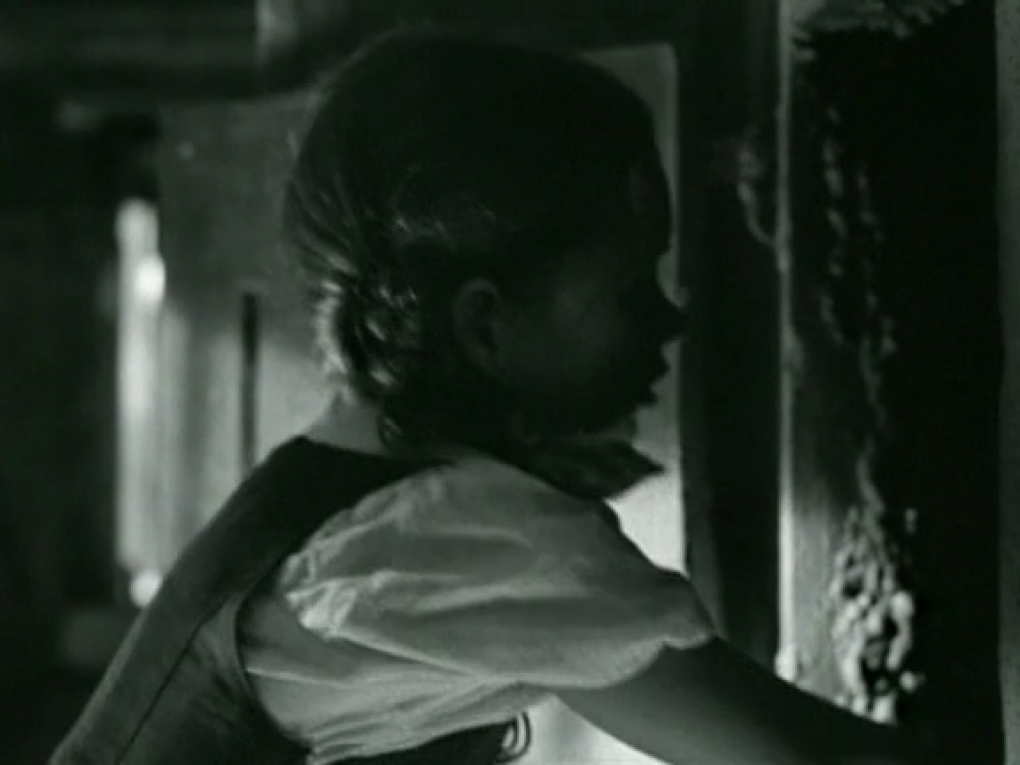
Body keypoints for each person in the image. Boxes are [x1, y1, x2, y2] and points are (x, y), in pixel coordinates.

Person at [53, 29, 934, 765]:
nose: (668, 319)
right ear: (486, 323)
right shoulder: (457, 536)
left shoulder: (332, 490)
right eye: (629, 289)